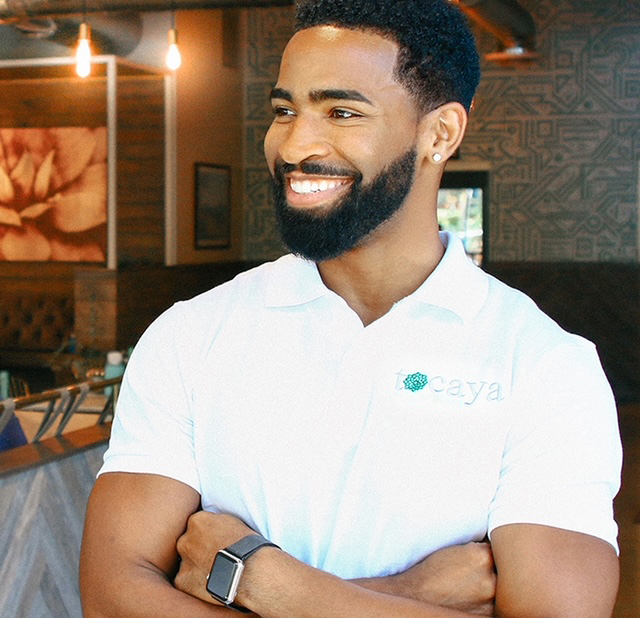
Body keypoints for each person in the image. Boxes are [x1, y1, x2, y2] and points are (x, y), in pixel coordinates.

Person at [80, 0, 622, 616]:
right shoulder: (189, 336)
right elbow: (111, 597)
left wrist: (260, 581)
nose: (295, 144)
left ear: (439, 134)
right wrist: (410, 598)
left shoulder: (549, 368)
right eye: (285, 110)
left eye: (341, 111)